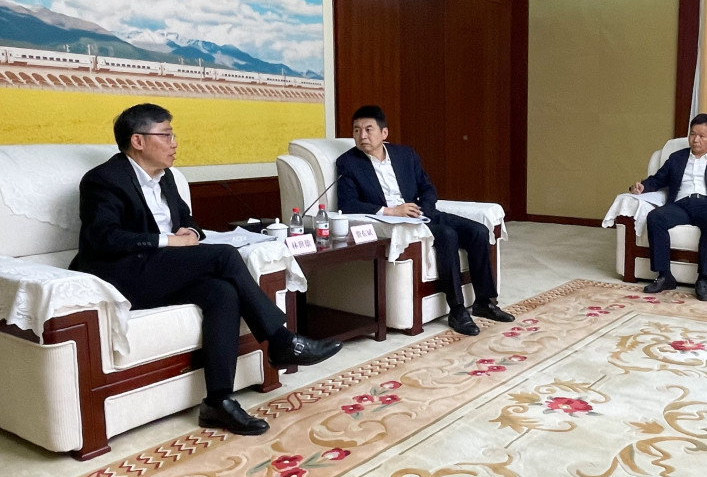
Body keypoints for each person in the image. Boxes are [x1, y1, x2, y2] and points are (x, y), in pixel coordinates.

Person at [71, 103, 342, 436]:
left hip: (161, 269)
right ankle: (280, 340)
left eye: (173, 134)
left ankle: (218, 402)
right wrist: (169, 240)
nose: (174, 143)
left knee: (222, 292)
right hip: (122, 275)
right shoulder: (103, 180)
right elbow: (104, 237)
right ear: (138, 141)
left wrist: (191, 232)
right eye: (166, 135)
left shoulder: (167, 178)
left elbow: (188, 220)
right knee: (224, 256)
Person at [336, 105, 513, 336]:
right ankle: (457, 310)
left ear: (384, 133)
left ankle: (484, 302)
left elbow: (428, 189)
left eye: (368, 129)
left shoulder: (405, 155)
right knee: (447, 235)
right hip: (397, 222)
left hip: (423, 213)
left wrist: (423, 210)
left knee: (478, 231)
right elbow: (348, 203)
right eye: (356, 130)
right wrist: (391, 211)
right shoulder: (348, 162)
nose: (362, 136)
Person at [629, 113, 707, 301]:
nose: (695, 140)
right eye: (692, 134)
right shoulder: (677, 157)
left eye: (701, 136)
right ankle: (664, 276)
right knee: (655, 217)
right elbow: (657, 180)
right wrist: (642, 187)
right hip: (681, 204)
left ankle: (703, 280)